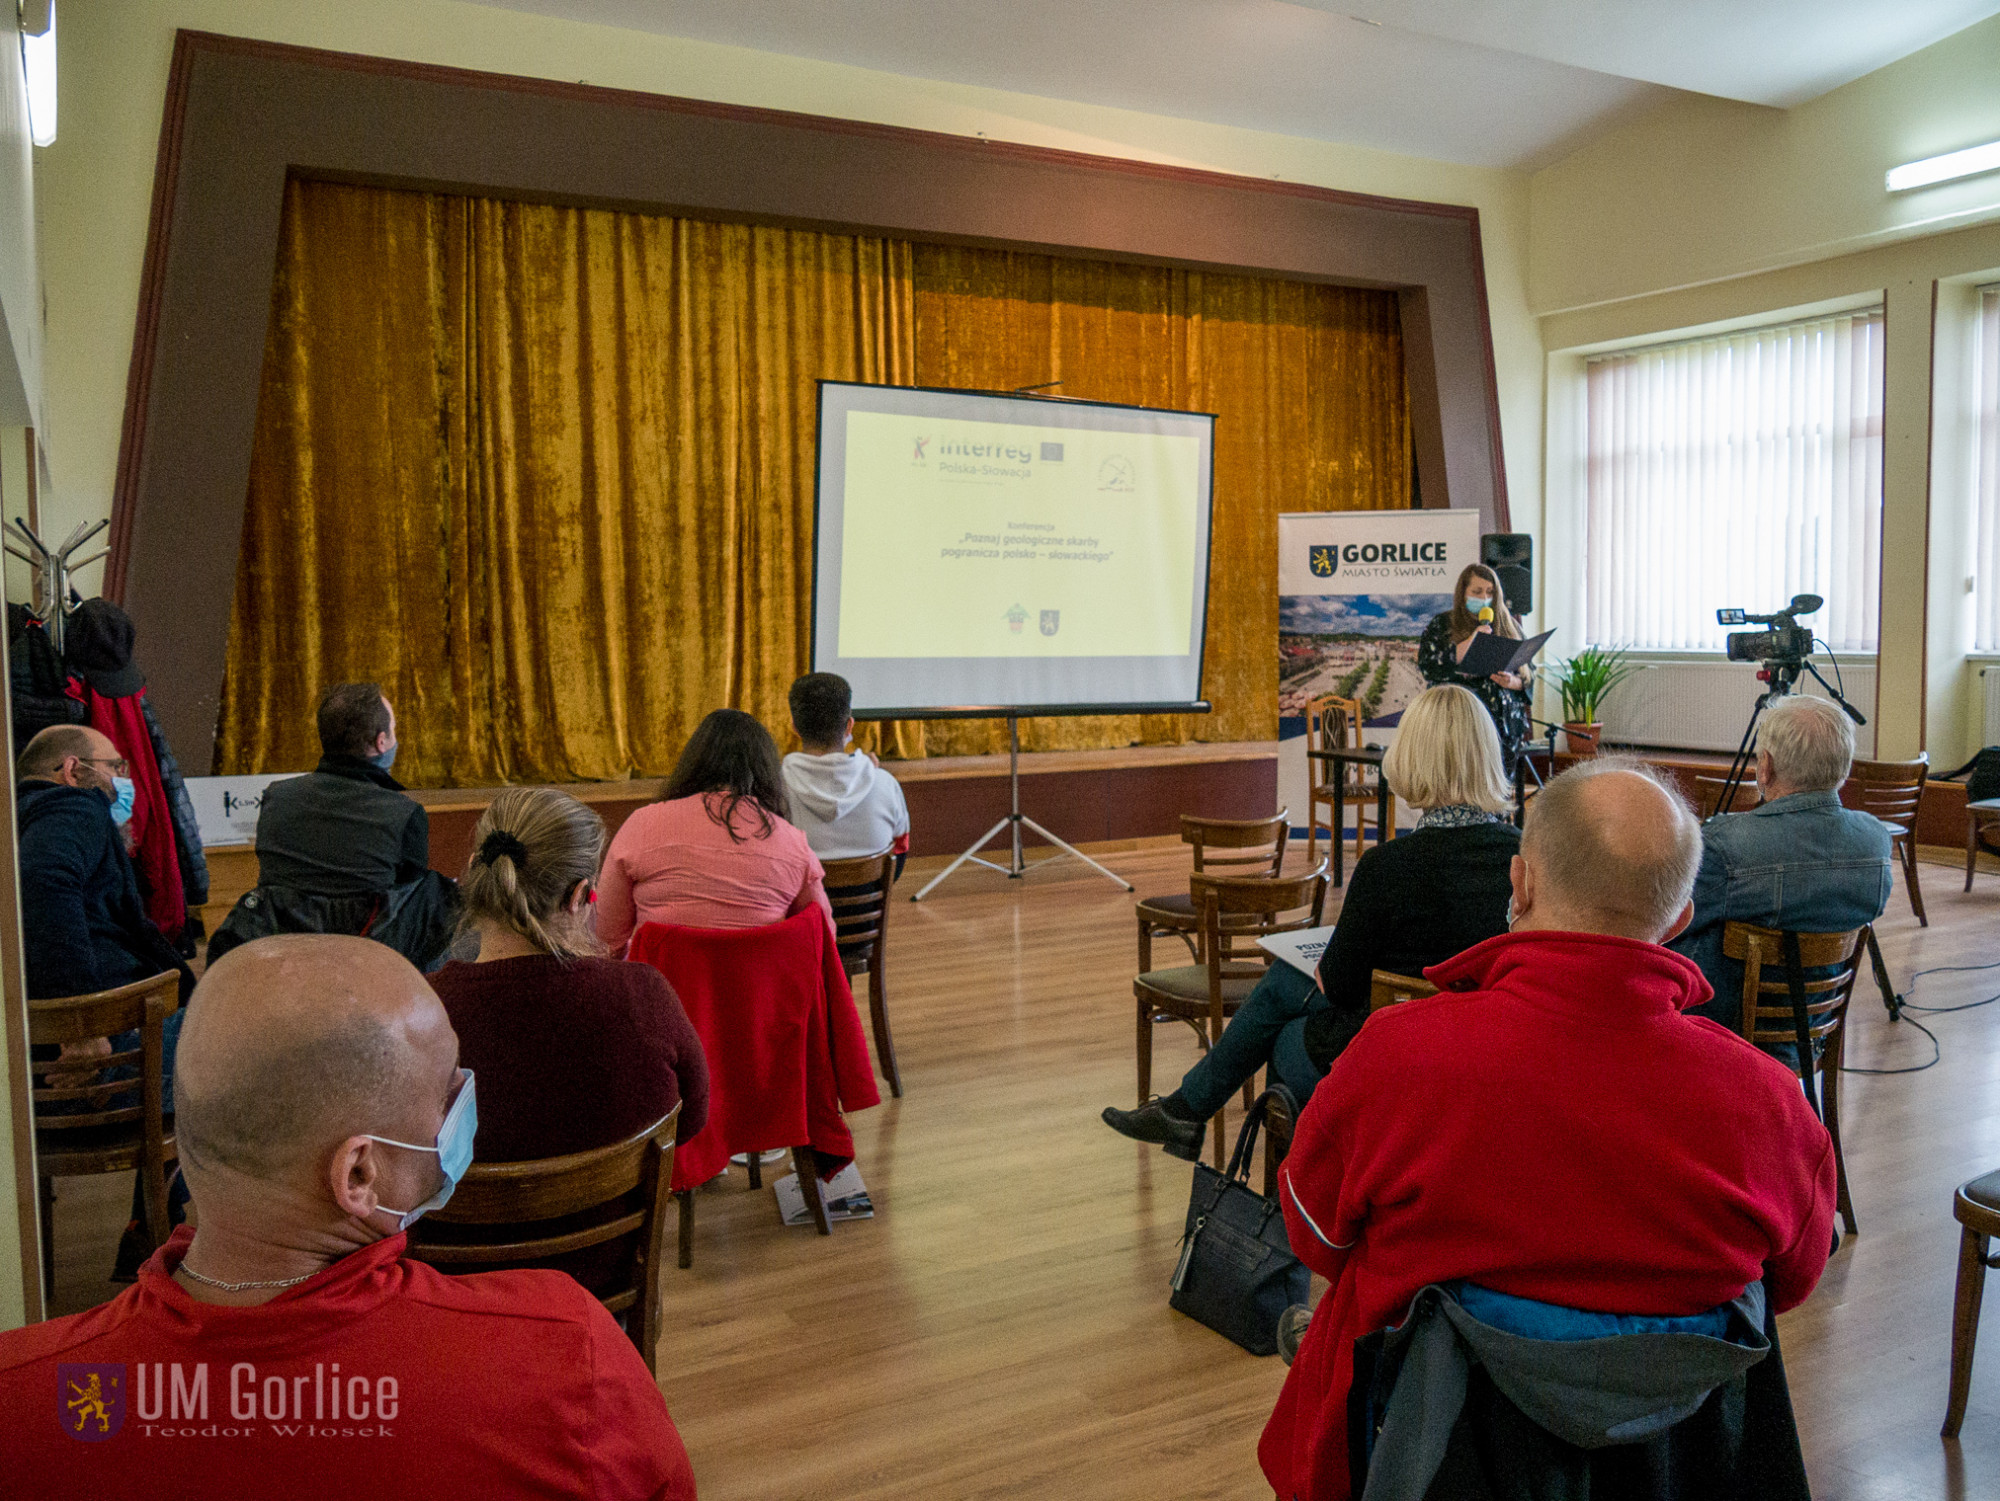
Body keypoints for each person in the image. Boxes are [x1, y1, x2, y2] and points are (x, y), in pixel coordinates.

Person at [1262, 759, 1836, 1501]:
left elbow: (1318, 1236)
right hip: (1681, 1462)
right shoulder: (1769, 1098)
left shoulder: (1399, 1052)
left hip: (1441, 1448)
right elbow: (1792, 1279)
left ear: (1521, 883)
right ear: (1681, 919)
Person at [0, 935, 698, 1498]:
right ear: (359, 1173)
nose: (464, 1101)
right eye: (448, 1087)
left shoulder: (24, 1401)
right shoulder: (565, 1356)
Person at [1100, 685, 1519, 1159]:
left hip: (1396, 1052)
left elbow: (1339, 988)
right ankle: (1186, 1114)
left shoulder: (1388, 866)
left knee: (1284, 1030)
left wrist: (1332, 969)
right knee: (1286, 986)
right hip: (1490, 1050)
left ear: (1412, 757)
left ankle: (1276, 1200)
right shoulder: (1522, 855)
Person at [429, 786, 710, 1164]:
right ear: (579, 896)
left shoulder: (423, 1011)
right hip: (618, 1221)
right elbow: (690, 1121)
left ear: (476, 866)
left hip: (460, 1225)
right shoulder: (642, 995)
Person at [1670, 693, 1892, 1040]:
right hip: (1815, 1026)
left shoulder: (1726, 844)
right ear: (1844, 768)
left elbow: (1669, 921)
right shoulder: (1875, 843)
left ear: (1766, 766)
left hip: (1724, 1030)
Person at [210, 683, 456, 968]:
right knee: (434, 892)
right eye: (394, 731)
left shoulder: (276, 798)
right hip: (370, 958)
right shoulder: (405, 813)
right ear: (381, 742)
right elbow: (406, 895)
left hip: (284, 952)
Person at [598, 708, 833, 951]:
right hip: (755, 988)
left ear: (692, 762)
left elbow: (604, 938)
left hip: (660, 987)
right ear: (767, 771)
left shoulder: (641, 825)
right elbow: (824, 940)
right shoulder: (794, 844)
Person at [16, 724, 192, 1004]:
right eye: (114, 766)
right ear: (73, 769)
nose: (121, 779)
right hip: (112, 1013)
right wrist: (78, 1022)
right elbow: (44, 880)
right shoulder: (73, 806)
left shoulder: (23, 815)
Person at [1417, 562, 1533, 776]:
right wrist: (1472, 641)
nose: (1484, 598)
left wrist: (1512, 681)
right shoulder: (1442, 625)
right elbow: (1428, 665)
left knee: (1497, 798)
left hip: (1503, 731)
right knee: (1456, 789)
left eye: (1490, 592)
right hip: (1456, 728)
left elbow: (1528, 677)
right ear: (1463, 593)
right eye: (1477, 592)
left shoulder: (1510, 626)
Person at [781, 672, 911, 862]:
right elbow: (900, 850)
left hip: (797, 891)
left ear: (795, 728)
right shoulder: (885, 783)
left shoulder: (775, 786)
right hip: (871, 890)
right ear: (849, 726)